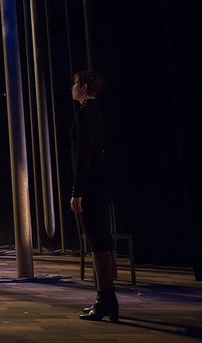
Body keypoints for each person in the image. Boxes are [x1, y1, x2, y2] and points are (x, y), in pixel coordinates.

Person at [69, 69, 118, 322]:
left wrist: (78, 191)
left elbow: (83, 156)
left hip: (93, 183)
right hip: (101, 180)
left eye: (76, 84)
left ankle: (103, 299)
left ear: (85, 87)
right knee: (102, 240)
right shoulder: (96, 111)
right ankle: (108, 300)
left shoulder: (86, 112)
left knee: (97, 242)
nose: (73, 88)